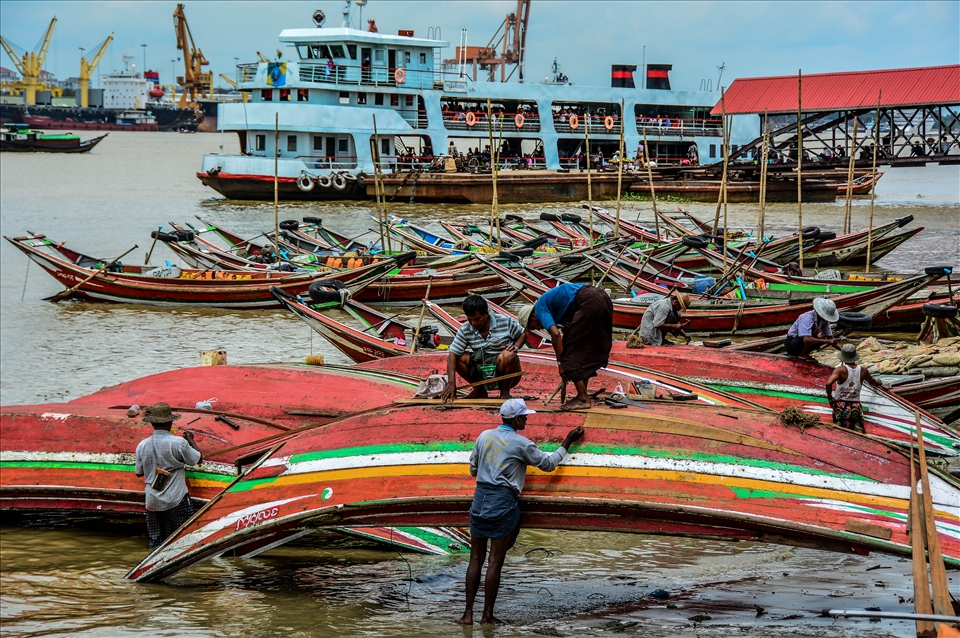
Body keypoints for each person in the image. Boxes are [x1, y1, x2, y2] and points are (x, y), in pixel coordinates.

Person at [459, 399, 584, 626]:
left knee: (475, 559)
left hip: (479, 499)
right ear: (516, 419)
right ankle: (487, 616)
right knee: (495, 562)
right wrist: (568, 441)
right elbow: (547, 464)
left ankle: (467, 615)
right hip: (502, 502)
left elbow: (473, 469)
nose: (527, 419)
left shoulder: (483, 436)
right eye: (525, 416)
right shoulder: (521, 443)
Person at [517, 283, 613, 410]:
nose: (538, 328)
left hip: (589, 300)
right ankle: (582, 393)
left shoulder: (539, 308)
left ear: (532, 317)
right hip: (603, 297)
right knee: (585, 348)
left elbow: (556, 335)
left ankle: (583, 398)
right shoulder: (549, 306)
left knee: (568, 353)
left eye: (532, 326)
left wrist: (560, 363)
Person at [135, 403, 202, 549]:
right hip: (176, 498)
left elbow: (139, 472)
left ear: (152, 423)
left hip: (152, 501)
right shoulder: (179, 443)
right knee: (182, 539)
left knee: (155, 542)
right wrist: (191, 439)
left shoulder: (142, 445)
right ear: (171, 422)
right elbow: (197, 459)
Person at [440, 295, 525, 402]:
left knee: (509, 354)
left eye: (477, 319)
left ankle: (505, 391)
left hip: (504, 369)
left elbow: (523, 334)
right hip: (481, 366)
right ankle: (479, 389)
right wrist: (451, 382)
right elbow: (453, 354)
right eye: (470, 319)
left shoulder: (504, 321)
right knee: (458, 357)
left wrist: (515, 347)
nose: (474, 323)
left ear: (486, 314)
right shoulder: (466, 328)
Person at [825, 343, 883, 434]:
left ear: (843, 357)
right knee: (859, 433)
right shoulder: (863, 371)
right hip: (856, 405)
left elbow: (828, 383)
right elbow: (872, 382)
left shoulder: (840, 370)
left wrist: (830, 398)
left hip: (841, 405)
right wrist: (878, 382)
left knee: (839, 433)